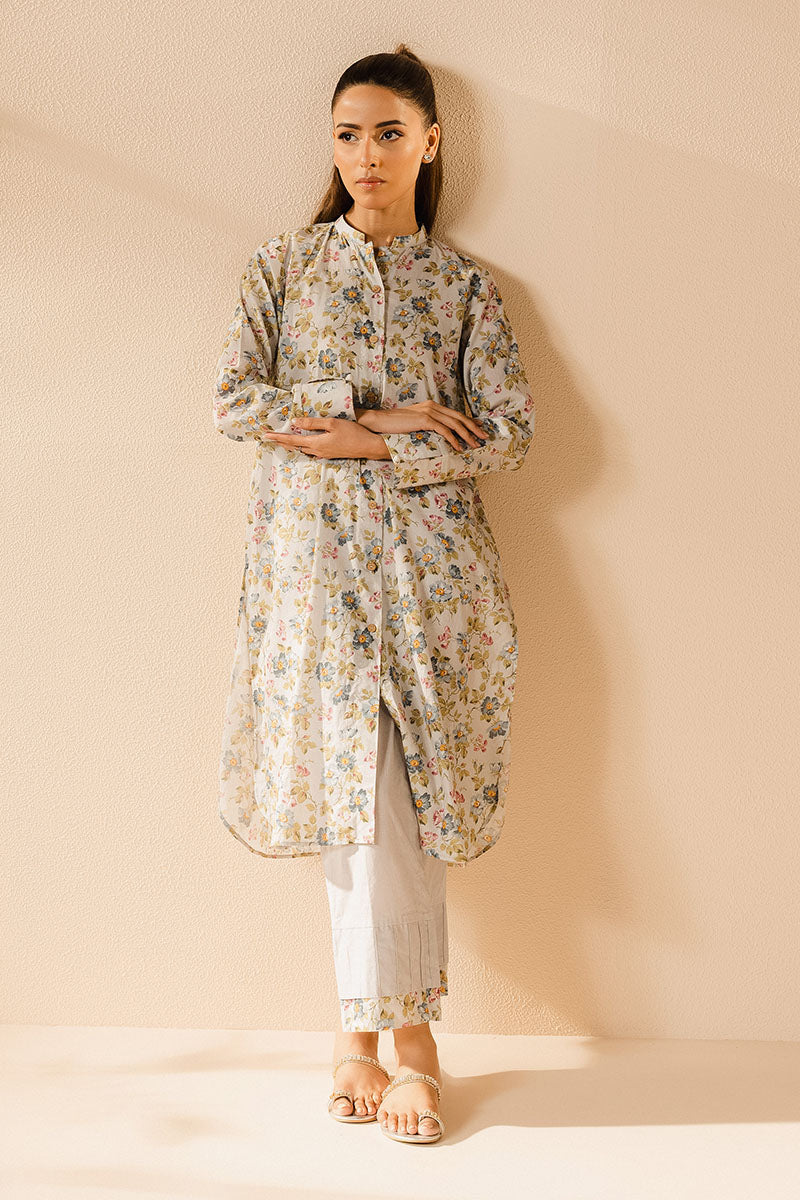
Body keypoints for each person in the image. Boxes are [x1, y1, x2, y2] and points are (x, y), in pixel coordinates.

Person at [213, 43, 535, 1144]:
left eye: (389, 133)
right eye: (348, 134)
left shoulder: (465, 289)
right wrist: (375, 415)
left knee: (394, 798)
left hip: (434, 586)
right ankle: (400, 1042)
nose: (366, 155)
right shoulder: (282, 267)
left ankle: (373, 1039)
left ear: (429, 142)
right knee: (349, 797)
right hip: (314, 579)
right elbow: (235, 401)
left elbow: (509, 432)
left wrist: (376, 446)